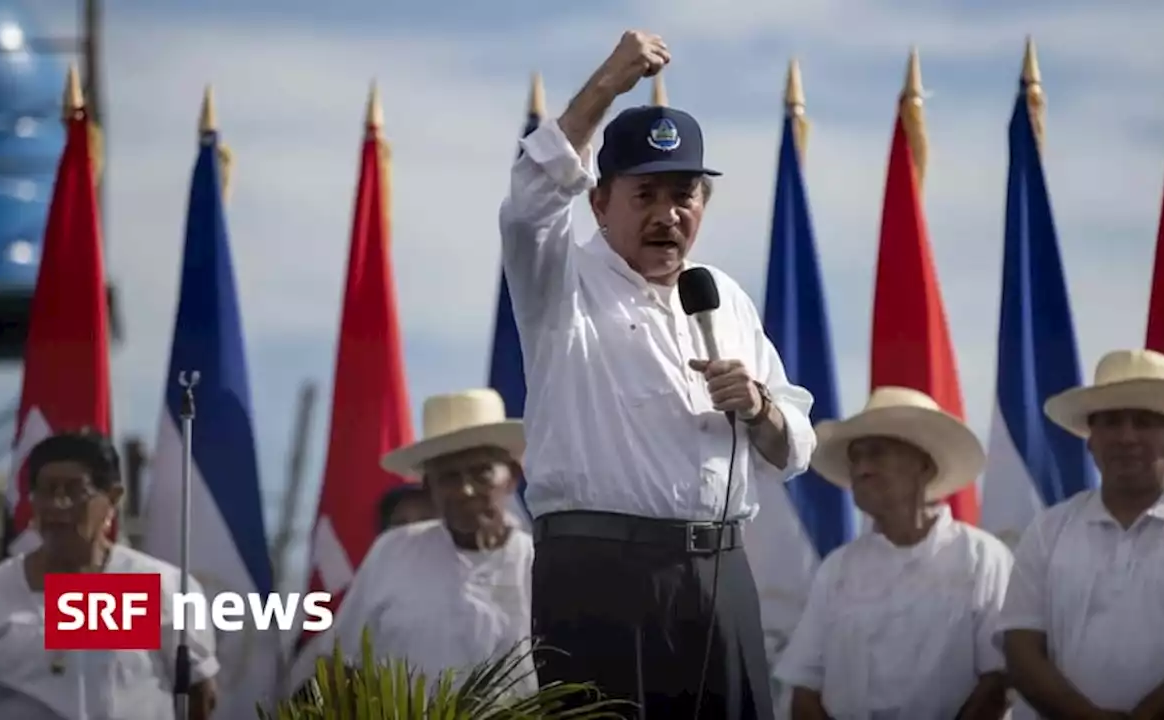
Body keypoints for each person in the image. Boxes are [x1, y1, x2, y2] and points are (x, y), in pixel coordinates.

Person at [499, 29, 816, 719]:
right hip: (598, 578)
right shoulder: (562, 279)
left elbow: (796, 446)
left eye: (684, 195)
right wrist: (608, 83)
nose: (667, 215)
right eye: (645, 195)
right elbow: (529, 199)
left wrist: (760, 408)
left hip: (720, 576)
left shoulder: (723, 295)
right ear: (599, 202)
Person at [998, 349, 1164, 719]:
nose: (1126, 437)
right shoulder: (1048, 530)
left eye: (1143, 421)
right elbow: (1021, 646)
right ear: (1090, 440)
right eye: (1110, 422)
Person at [776, 387, 1013, 720]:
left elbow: (998, 681)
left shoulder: (982, 558)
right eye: (855, 457)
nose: (861, 468)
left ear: (924, 466)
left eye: (876, 453)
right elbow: (803, 687)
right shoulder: (837, 569)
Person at [313, 389, 536, 697]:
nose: (466, 490)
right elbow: (339, 665)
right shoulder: (393, 552)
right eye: (449, 477)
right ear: (429, 487)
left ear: (511, 476)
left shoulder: (540, 563)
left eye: (481, 473)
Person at [0, 431, 219, 719]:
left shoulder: (162, 586)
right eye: (48, 490)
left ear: (112, 498)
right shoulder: (1, 588)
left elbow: (200, 694)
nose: (58, 504)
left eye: (74, 490)